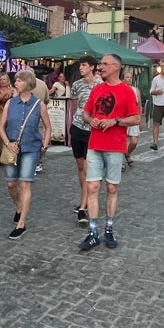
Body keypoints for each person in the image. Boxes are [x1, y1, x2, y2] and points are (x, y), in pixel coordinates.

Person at [80, 54, 141, 251]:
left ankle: (109, 228)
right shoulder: (97, 89)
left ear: (116, 67)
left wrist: (115, 121)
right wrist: (92, 121)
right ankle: (93, 232)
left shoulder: (127, 91)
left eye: (104, 64)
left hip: (115, 146)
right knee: (92, 188)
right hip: (95, 144)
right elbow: (86, 113)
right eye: (100, 64)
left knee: (112, 188)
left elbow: (136, 118)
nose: (100, 67)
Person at [0, 69, 52, 239]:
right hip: (11, 147)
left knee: (25, 184)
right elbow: (1, 127)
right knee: (11, 185)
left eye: (19, 80)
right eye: (16, 80)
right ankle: (19, 206)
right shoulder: (10, 103)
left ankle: (21, 223)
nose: (15, 83)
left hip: (31, 148)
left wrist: (44, 145)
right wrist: (8, 143)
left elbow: (48, 126)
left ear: (28, 83)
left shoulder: (39, 105)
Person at [68, 56, 100, 225]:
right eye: (80, 65)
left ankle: (82, 207)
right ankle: (85, 197)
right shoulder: (77, 85)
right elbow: (74, 106)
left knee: (88, 168)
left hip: (92, 130)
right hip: (78, 127)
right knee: (80, 166)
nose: (81, 68)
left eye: (84, 65)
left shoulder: (100, 85)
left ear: (92, 67)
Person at [122, 71, 142, 165]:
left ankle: (127, 153)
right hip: (123, 117)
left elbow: (139, 106)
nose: (129, 79)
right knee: (122, 141)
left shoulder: (136, 90)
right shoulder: (120, 89)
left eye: (130, 77)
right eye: (127, 77)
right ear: (123, 79)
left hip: (134, 117)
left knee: (134, 141)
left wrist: (140, 120)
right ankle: (121, 162)